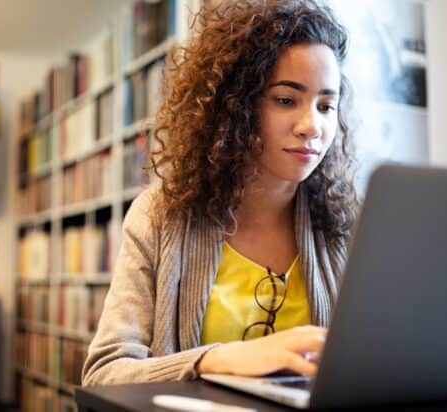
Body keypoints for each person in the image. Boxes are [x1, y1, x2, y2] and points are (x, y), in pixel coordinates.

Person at [82, 0, 359, 386]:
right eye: (285, 100)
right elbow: (104, 373)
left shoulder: (348, 224)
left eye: (327, 105)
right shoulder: (159, 215)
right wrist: (220, 360)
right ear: (234, 107)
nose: (312, 126)